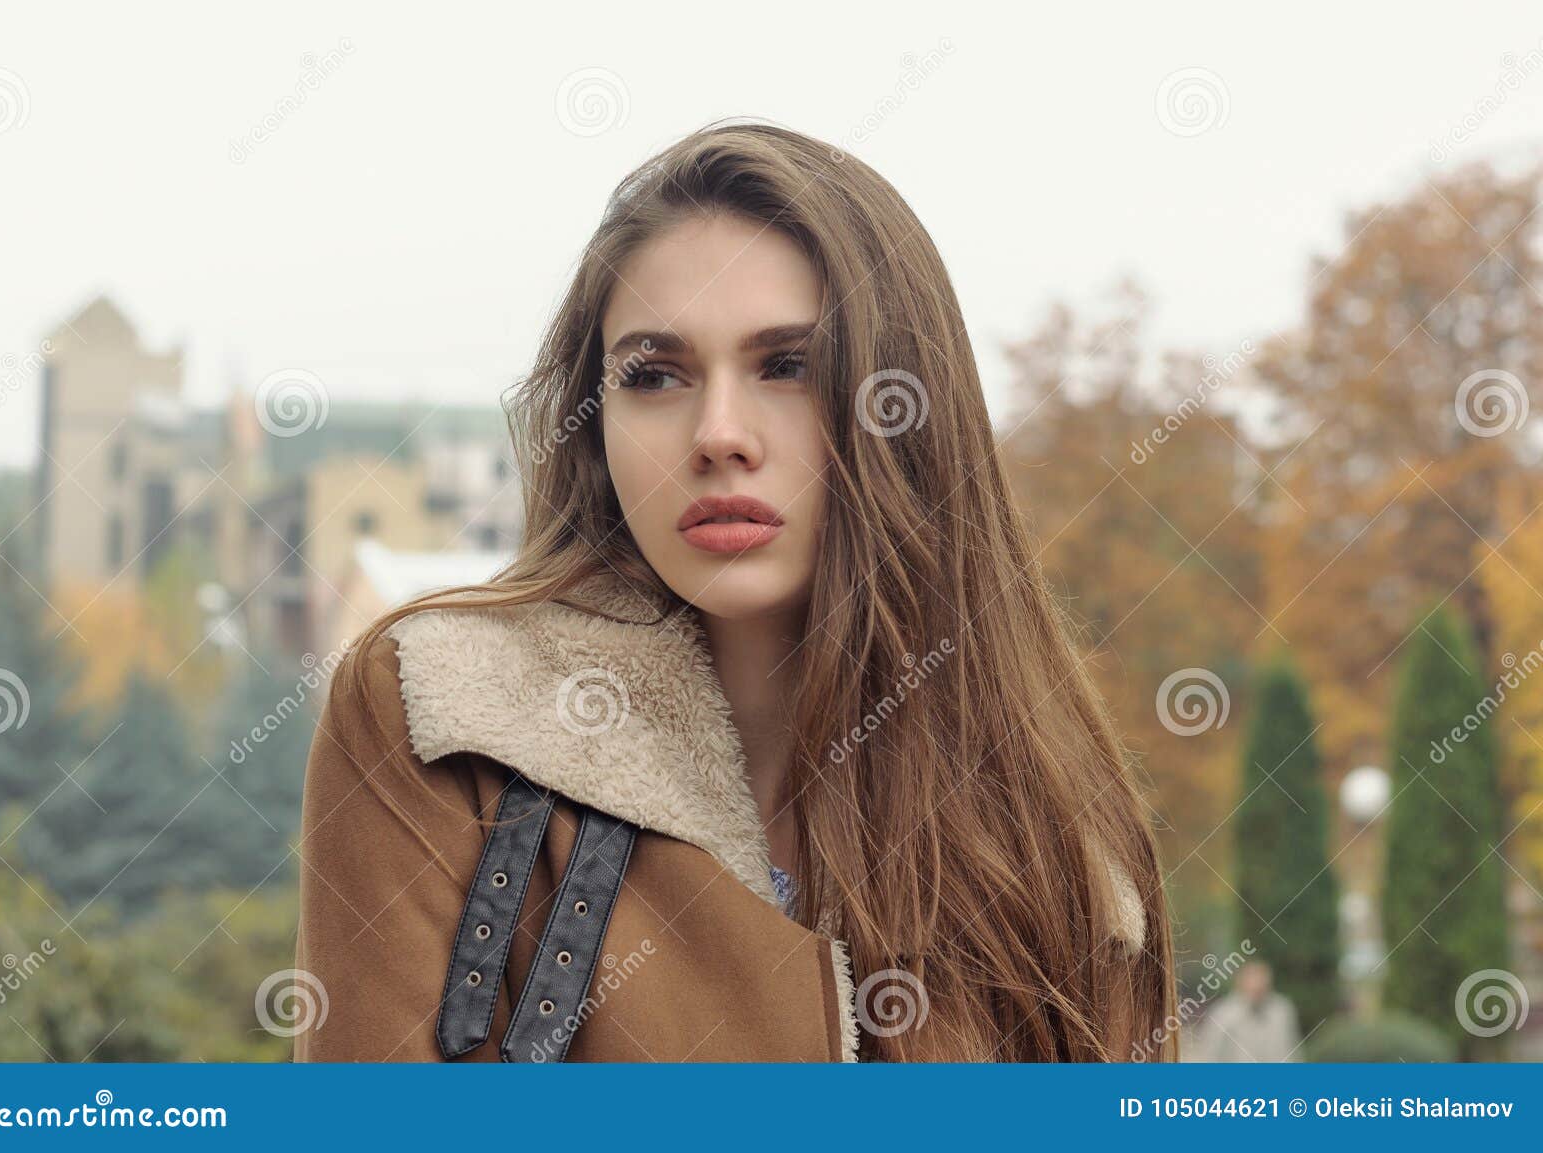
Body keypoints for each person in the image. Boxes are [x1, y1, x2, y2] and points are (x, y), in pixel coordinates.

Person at [294, 119, 1175, 1063]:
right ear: (594, 424)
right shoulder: (442, 709)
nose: (719, 433)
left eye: (788, 365)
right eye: (656, 374)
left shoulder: (1058, 851)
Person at [1189, 961, 1301, 1062]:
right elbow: (1210, 1055)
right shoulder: (1222, 1014)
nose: (1258, 987)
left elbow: (1291, 1050)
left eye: (1262, 983)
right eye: (1253, 984)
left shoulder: (1282, 1010)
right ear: (1240, 983)